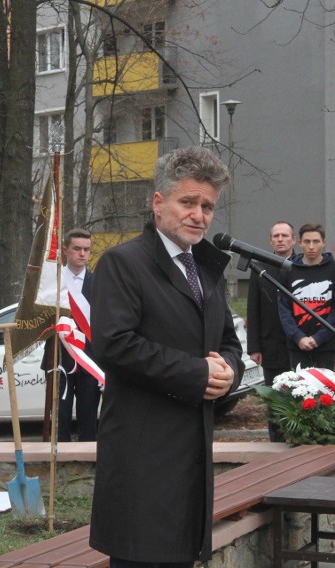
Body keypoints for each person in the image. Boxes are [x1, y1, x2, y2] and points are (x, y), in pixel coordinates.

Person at [89, 146, 244, 566]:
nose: (199, 215)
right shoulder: (123, 263)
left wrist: (229, 371)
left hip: (191, 453)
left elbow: (228, 340)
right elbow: (113, 344)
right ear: (158, 202)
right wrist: (196, 373)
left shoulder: (205, 269)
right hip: (143, 455)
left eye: (208, 206)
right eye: (188, 202)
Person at [40, 228, 100, 442]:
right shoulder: (52, 283)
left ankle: (87, 466)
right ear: (65, 250)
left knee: (89, 416)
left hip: (89, 359)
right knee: (60, 417)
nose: (82, 254)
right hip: (59, 357)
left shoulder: (101, 283)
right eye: (77, 249)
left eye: (87, 249)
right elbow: (41, 319)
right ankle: (61, 464)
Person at [246, 221, 294, 441]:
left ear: (293, 240)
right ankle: (276, 441)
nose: (280, 239)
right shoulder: (260, 268)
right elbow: (252, 309)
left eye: (285, 235)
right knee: (275, 398)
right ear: (270, 240)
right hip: (270, 345)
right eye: (276, 236)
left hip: (298, 345)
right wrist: (254, 347)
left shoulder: (301, 266)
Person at [278, 223, 335, 370]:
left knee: (324, 389)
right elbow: (283, 308)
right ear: (300, 243)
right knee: (300, 390)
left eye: (316, 241)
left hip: (326, 344)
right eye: (307, 242)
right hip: (297, 344)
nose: (311, 246)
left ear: (323, 243)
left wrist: (318, 338)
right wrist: (298, 337)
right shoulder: (288, 269)